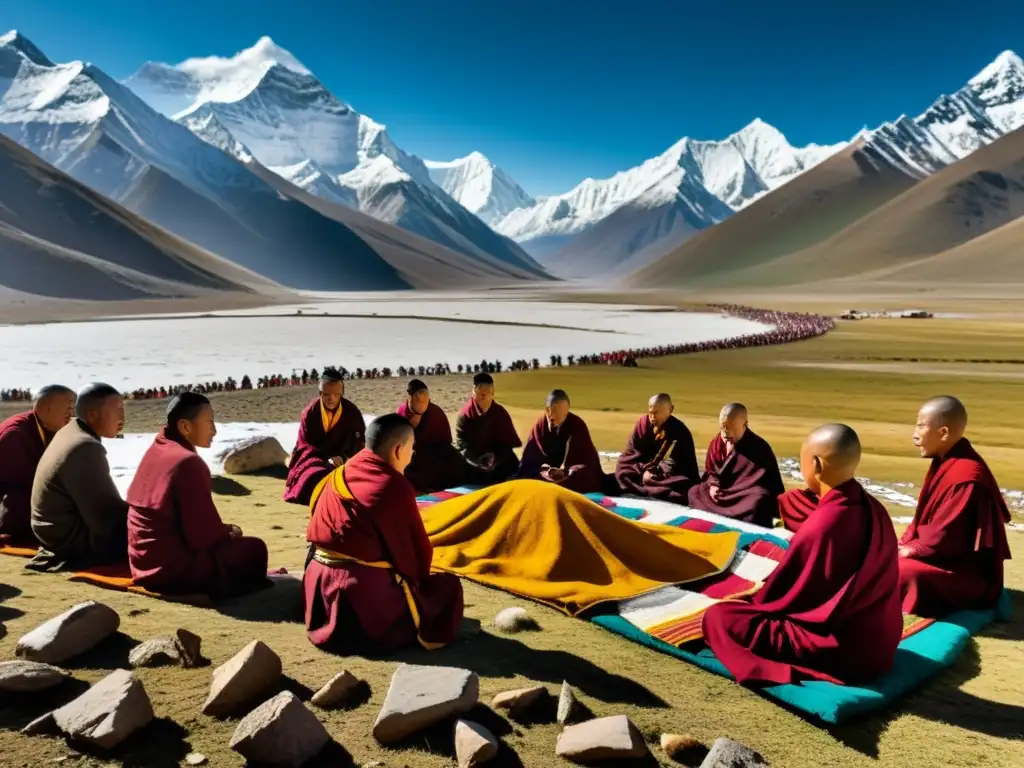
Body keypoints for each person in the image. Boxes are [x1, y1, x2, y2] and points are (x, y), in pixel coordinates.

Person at [702, 424, 902, 685]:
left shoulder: (824, 524)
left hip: (843, 650)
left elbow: (781, 601)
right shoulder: (875, 509)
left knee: (721, 618)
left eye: (803, 460)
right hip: (882, 644)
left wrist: (752, 601)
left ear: (817, 465)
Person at [303, 413, 464, 653]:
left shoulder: (337, 474)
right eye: (412, 448)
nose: (412, 455)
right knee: (447, 588)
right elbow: (414, 557)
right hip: (360, 594)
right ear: (399, 450)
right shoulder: (392, 486)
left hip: (317, 582)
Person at [126, 392, 269, 597]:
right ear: (185, 427)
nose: (214, 430)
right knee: (255, 549)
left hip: (141, 562)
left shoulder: (157, 448)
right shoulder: (187, 462)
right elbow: (202, 537)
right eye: (209, 423)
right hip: (169, 570)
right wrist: (228, 531)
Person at [900, 396, 1012, 617]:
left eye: (921, 425)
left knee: (899, 571)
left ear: (943, 433)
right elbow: (925, 523)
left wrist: (910, 550)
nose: (914, 433)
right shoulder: (946, 460)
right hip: (941, 559)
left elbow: (944, 540)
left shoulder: (966, 476)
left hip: (967, 576)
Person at [28, 383, 129, 571]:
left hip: (49, 531)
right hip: (67, 538)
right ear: (92, 415)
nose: (123, 418)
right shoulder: (85, 446)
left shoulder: (70, 429)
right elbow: (106, 515)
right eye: (117, 411)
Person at [0, 385, 76, 546]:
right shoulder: (15, 434)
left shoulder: (49, 427)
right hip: (15, 498)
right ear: (47, 408)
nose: (71, 414)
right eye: (68, 408)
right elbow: (26, 482)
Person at [687, 403, 786, 528]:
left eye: (730, 427)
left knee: (759, 500)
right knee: (694, 491)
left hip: (743, 494)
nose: (725, 432)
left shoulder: (760, 447)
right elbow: (711, 471)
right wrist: (713, 485)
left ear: (745, 425)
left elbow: (771, 485)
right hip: (720, 491)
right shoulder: (717, 442)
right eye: (723, 427)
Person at [283, 368, 366, 505]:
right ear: (320, 393)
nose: (331, 399)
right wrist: (327, 459)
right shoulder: (310, 413)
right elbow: (305, 446)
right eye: (326, 394)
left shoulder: (352, 412)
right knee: (313, 478)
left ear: (342, 393)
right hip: (316, 461)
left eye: (336, 394)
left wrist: (344, 457)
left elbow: (359, 442)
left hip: (345, 461)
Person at [614, 393, 699, 501]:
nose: (653, 418)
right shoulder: (642, 425)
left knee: (681, 485)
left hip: (664, 473)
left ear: (671, 409)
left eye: (657, 413)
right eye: (651, 413)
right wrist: (642, 469)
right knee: (622, 471)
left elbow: (678, 463)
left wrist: (657, 470)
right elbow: (631, 454)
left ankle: (645, 487)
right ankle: (646, 487)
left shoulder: (680, 431)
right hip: (641, 467)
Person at [518, 389, 605, 494]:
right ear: (547, 409)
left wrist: (565, 470)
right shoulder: (540, 425)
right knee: (529, 473)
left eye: (562, 414)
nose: (554, 418)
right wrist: (545, 468)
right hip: (546, 472)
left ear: (566, 411)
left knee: (584, 474)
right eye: (552, 414)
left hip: (569, 472)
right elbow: (530, 457)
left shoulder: (577, 424)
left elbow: (585, 459)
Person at [396, 379, 469, 493]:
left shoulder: (435, 412)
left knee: (458, 463)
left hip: (436, 456)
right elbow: (398, 443)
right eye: (418, 399)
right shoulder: (402, 412)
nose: (422, 403)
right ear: (409, 397)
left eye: (425, 399)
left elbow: (446, 442)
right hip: (412, 458)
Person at [454, 373, 522, 485]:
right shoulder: (465, 415)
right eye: (480, 391)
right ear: (473, 391)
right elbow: (462, 445)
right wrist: (477, 462)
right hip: (474, 460)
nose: (483, 396)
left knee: (513, 465)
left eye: (487, 392)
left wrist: (495, 459)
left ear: (493, 392)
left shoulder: (500, 413)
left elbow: (507, 444)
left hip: (497, 460)